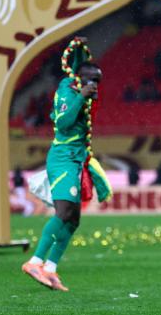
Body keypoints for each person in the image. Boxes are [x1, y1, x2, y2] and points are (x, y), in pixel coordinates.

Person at [21, 38, 112, 291]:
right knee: (63, 213)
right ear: (80, 79)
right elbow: (62, 123)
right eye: (91, 80)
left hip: (78, 159)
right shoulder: (66, 91)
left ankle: (50, 269)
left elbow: (79, 67)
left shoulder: (84, 93)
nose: (95, 85)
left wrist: (80, 49)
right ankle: (34, 262)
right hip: (63, 159)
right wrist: (81, 96)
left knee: (73, 219)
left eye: (98, 80)